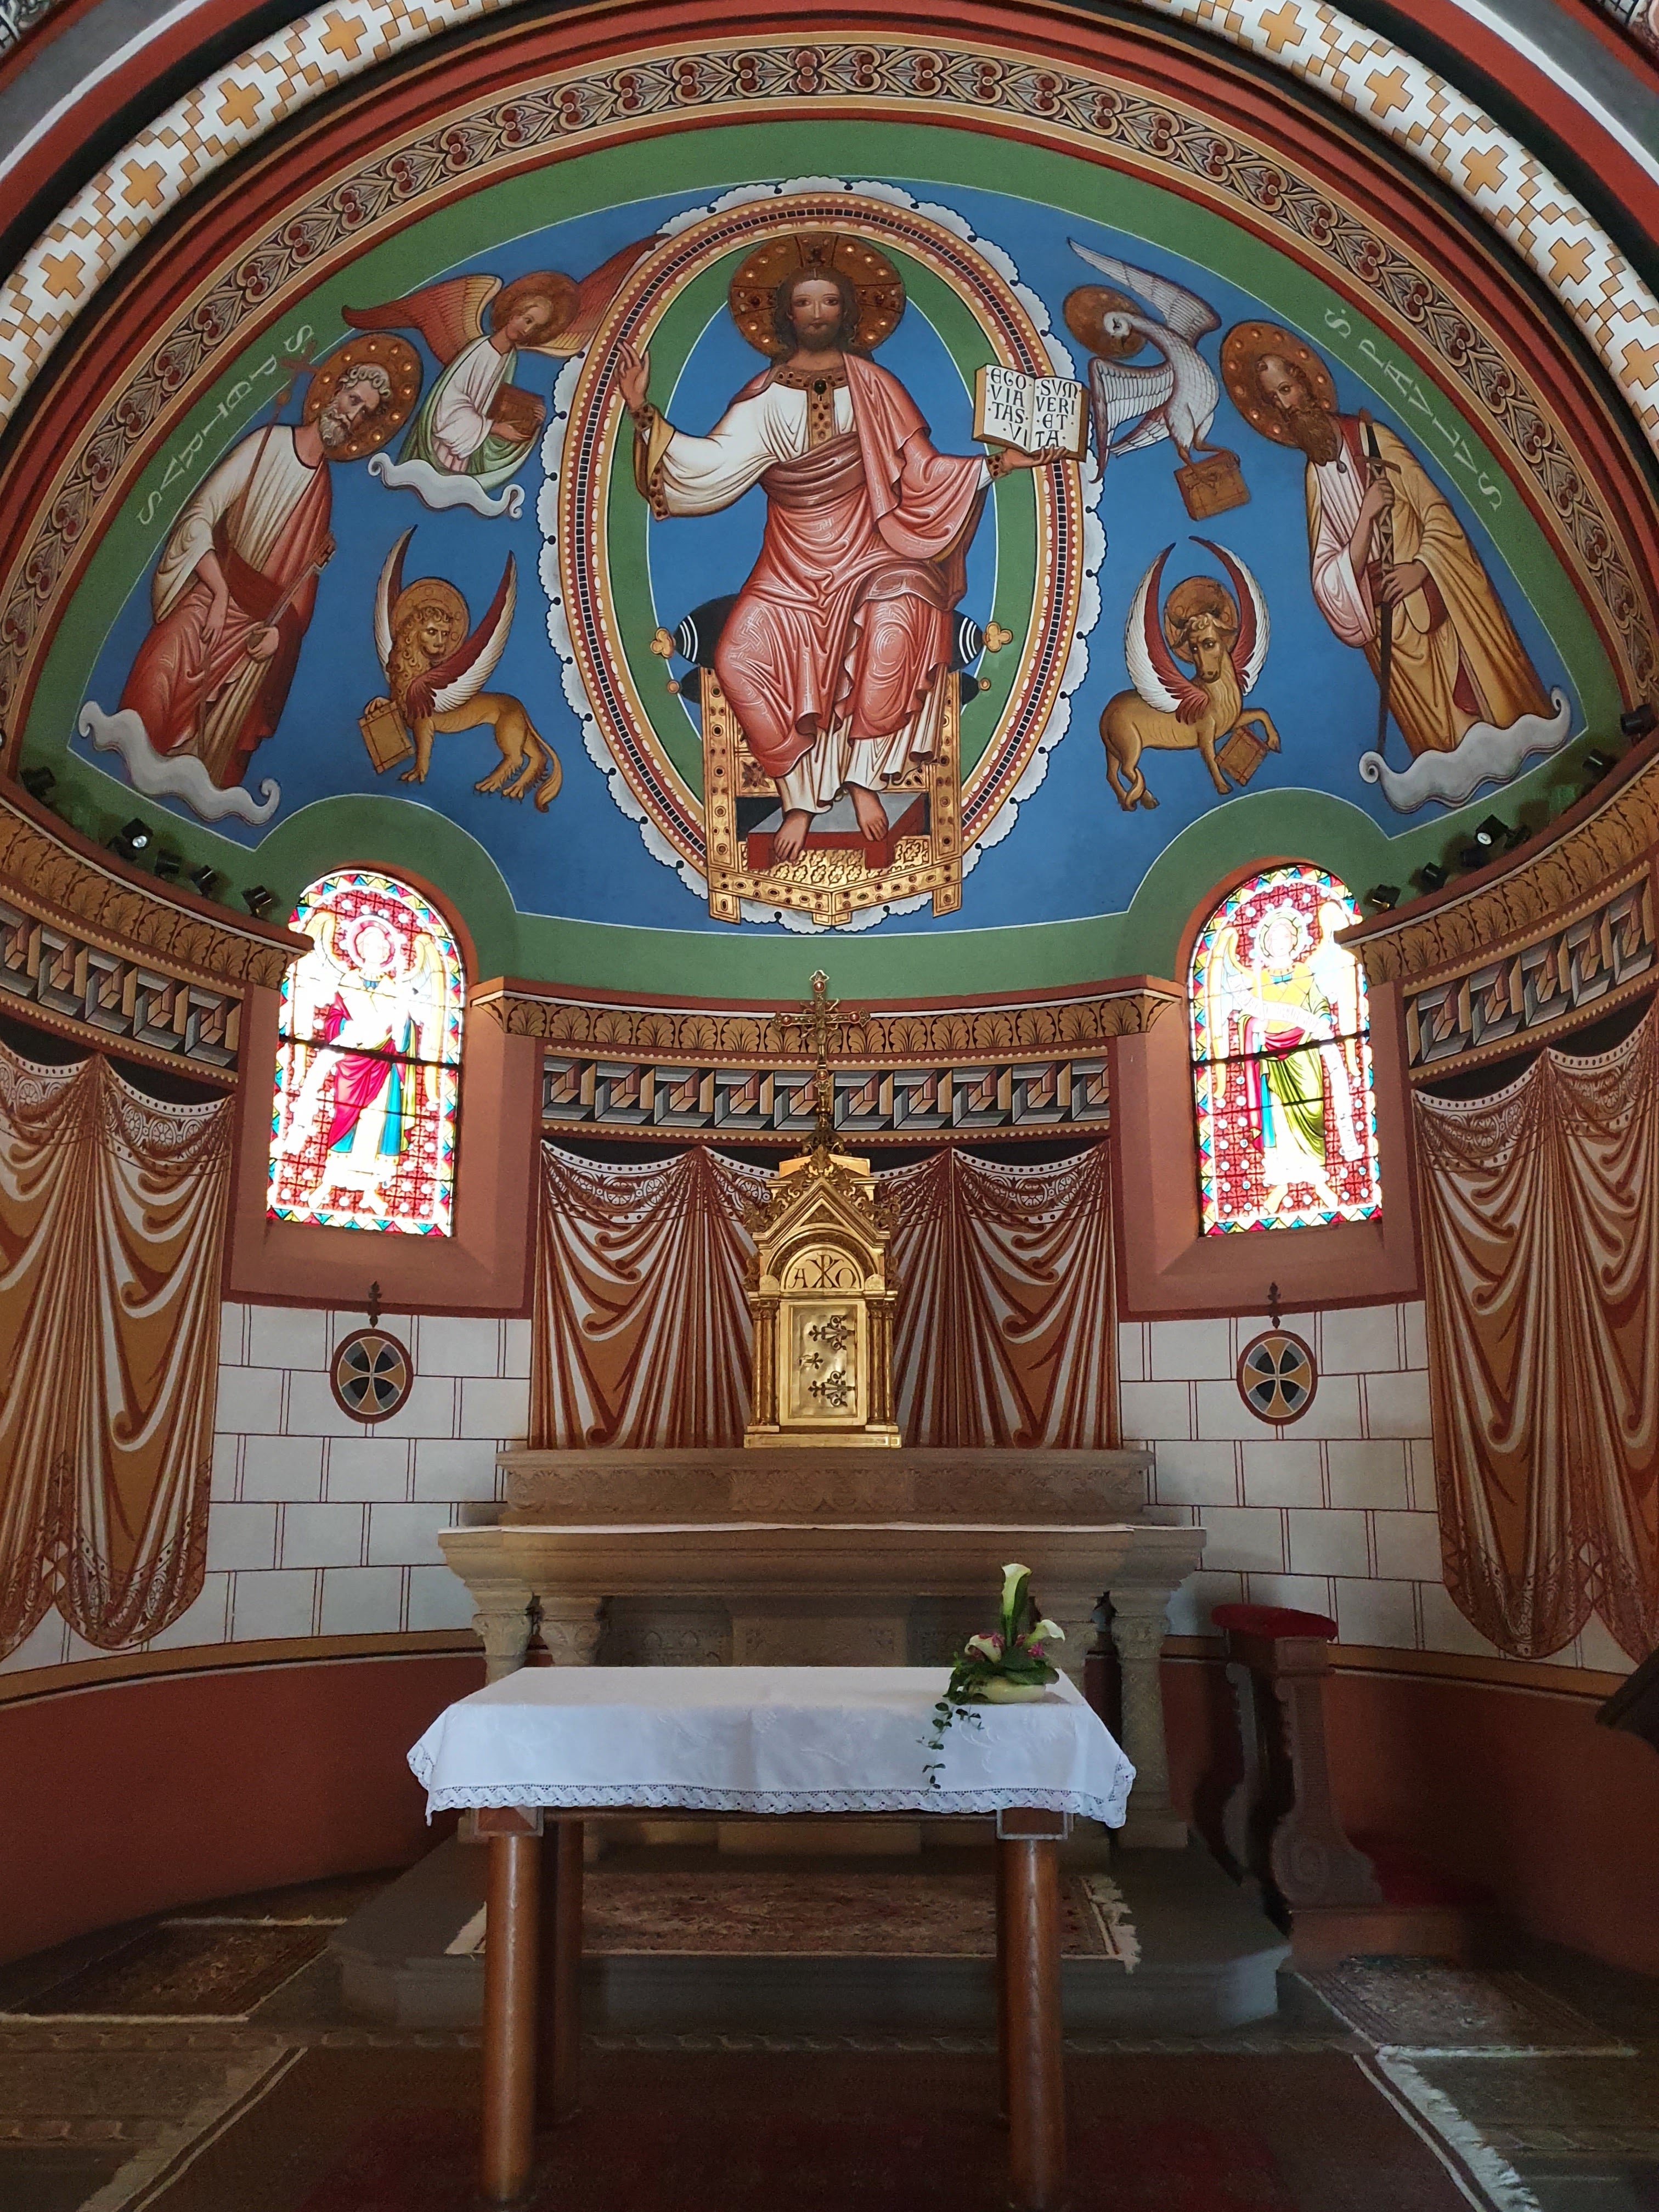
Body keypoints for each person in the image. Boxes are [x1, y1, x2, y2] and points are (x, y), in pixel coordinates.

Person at [617, 258, 1060, 864]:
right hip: (790, 565)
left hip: (875, 551)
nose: (817, 313)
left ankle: (862, 780)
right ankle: (798, 799)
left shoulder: (878, 388)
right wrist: (641, 410)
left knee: (896, 623)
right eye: (805, 303)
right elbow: (709, 464)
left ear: (848, 313)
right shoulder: (763, 397)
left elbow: (924, 470)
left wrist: (1003, 463)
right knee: (737, 658)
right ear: (786, 316)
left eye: (829, 301)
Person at [1225, 328, 1553, 759]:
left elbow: (1438, 513)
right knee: (1446, 751)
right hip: (1388, 629)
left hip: (1434, 602)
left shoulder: (1372, 439)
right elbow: (1326, 575)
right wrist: (1365, 519)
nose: (1285, 405)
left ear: (1305, 383)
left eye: (1286, 390)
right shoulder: (1314, 477)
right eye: (1274, 400)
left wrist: (1422, 567)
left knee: (1488, 717)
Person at [117, 362, 393, 790]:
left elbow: (301, 592)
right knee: (156, 680)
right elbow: (199, 517)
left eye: (365, 413)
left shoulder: (323, 490)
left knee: (210, 759)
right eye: (353, 400)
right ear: (333, 392)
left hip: (251, 638)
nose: (352, 415)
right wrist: (219, 594)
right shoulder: (268, 444)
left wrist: (279, 637)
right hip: (208, 600)